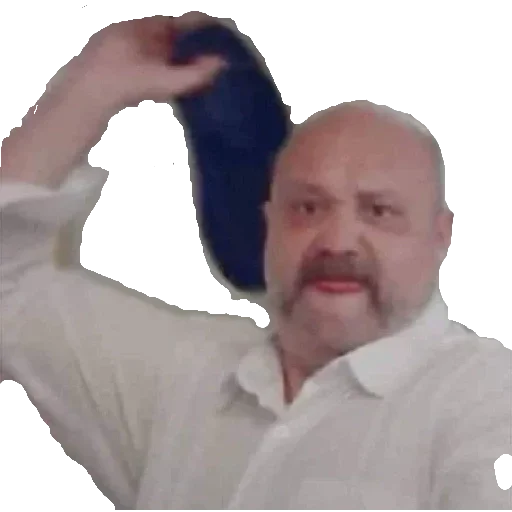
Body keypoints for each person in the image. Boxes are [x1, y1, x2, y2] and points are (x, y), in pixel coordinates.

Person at [1, 15, 510, 512]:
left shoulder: (486, 398)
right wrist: (92, 86)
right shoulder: (183, 379)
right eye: (307, 208)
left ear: (440, 236)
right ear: (268, 227)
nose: (337, 242)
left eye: (379, 211)